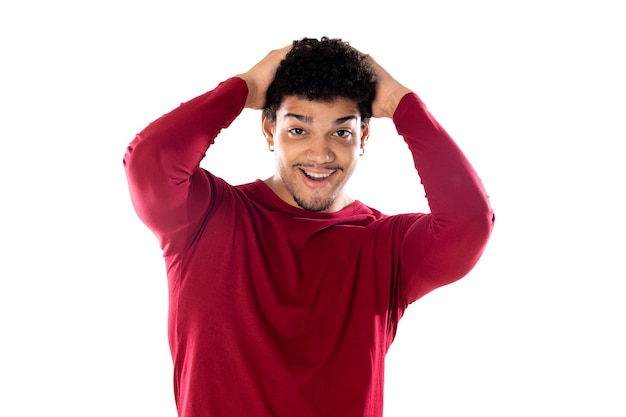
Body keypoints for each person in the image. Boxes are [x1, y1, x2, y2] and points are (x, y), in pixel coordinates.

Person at [124, 37, 494, 417]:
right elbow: (150, 161)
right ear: (269, 130)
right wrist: (245, 87)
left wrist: (401, 103)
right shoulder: (204, 217)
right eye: (299, 130)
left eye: (341, 132)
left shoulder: (386, 247)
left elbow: (469, 224)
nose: (321, 155)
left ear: (363, 136)